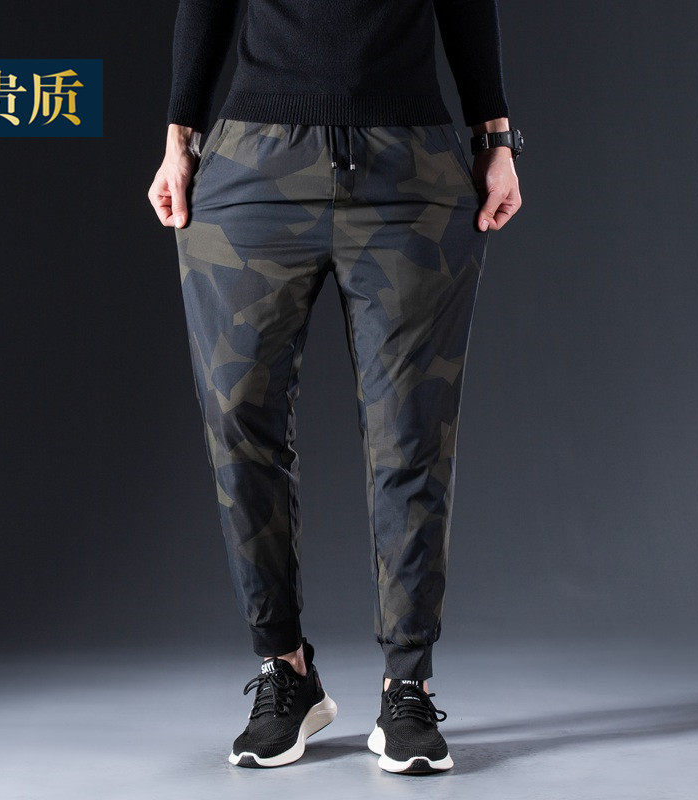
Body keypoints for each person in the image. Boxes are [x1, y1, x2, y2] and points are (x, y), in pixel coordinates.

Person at [148, 0, 522, 774]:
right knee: (238, 418)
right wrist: (178, 140)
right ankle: (284, 671)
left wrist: (496, 139)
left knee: (412, 429)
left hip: (408, 164)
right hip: (254, 161)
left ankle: (407, 685)